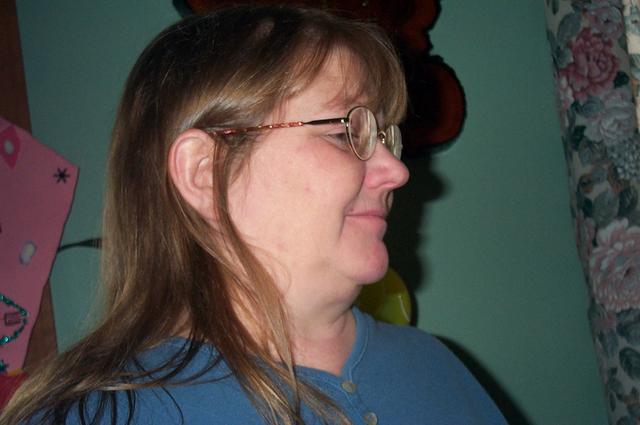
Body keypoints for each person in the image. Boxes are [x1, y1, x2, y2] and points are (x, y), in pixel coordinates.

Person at [1, 4, 506, 425]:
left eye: (385, 136)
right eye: (344, 133)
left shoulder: (436, 366)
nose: (396, 170)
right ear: (205, 172)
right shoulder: (96, 415)